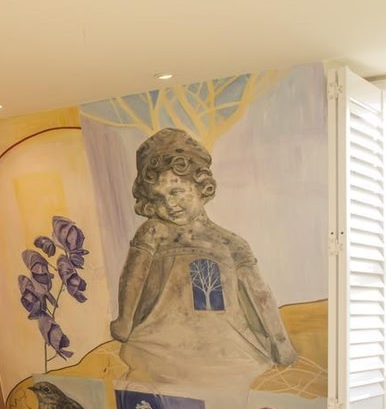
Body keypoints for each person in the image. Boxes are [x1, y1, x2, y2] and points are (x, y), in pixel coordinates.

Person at [110, 128, 296, 385]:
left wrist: (280, 342)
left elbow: (259, 295)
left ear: (201, 186)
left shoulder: (232, 244)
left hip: (225, 348)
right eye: (158, 198)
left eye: (176, 192)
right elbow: (134, 275)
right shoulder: (155, 231)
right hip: (162, 345)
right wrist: (125, 320)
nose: (169, 204)